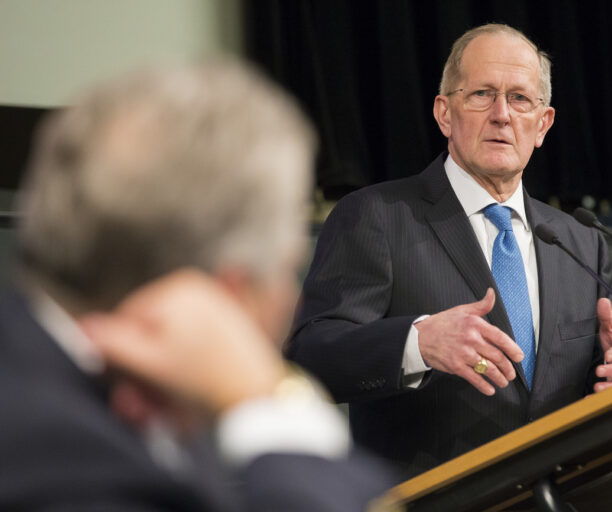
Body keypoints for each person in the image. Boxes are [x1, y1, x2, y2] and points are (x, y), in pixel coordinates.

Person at [0, 60, 392, 511]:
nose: (292, 297)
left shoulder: (120, 399)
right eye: (286, 270)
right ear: (222, 294)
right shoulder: (63, 477)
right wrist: (269, 404)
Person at [287, 23, 612, 477]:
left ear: (543, 124)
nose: (502, 115)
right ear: (444, 114)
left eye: (519, 98)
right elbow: (309, 357)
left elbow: (611, 361)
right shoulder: (377, 215)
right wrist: (417, 343)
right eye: (481, 95)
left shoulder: (579, 240)